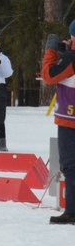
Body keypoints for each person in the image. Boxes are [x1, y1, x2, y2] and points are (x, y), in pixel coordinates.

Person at [41, 23, 75, 223]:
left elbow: (49, 75)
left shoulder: (72, 59)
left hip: (70, 120)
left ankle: (71, 210)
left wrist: (51, 51)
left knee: (70, 167)